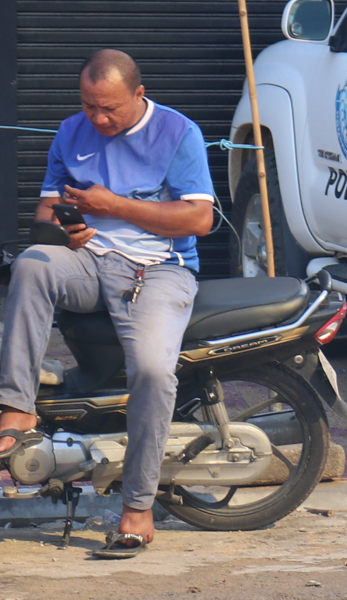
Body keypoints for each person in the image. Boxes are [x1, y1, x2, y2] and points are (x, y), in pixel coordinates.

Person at [0, 50, 214, 557]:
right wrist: (63, 232)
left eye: (109, 109)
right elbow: (45, 215)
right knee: (32, 262)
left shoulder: (178, 133)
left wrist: (112, 205)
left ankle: (138, 507)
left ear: (138, 95)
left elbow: (198, 220)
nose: (97, 118)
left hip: (159, 271)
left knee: (152, 372)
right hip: (92, 263)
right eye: (89, 105)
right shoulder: (71, 131)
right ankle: (16, 410)